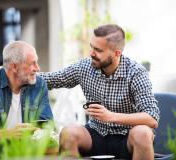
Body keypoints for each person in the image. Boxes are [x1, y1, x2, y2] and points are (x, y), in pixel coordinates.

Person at [40, 24, 160, 160]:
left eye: (98, 50)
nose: (91, 53)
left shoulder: (136, 73)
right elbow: (52, 79)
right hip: (96, 133)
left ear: (117, 53)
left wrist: (110, 116)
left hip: (128, 138)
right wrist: (23, 74)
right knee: (69, 133)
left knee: (143, 133)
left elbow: (152, 118)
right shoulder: (85, 67)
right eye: (91, 47)